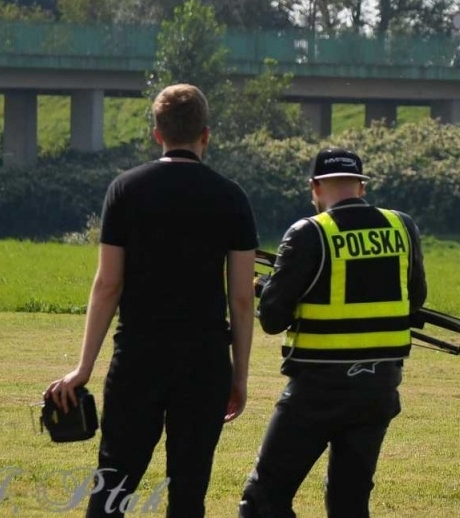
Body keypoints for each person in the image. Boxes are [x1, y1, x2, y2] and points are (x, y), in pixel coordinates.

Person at [46, 84, 258, 518]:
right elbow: (240, 297)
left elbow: (108, 284)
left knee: (113, 485)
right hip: (204, 360)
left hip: (139, 356)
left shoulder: (125, 190)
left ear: (156, 133)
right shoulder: (232, 197)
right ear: (206, 135)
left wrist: (84, 367)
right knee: (188, 489)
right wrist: (239, 373)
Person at [240, 148, 427, 518]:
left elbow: (273, 319)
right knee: (348, 502)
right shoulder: (401, 226)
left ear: (315, 188)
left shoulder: (308, 233)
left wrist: (264, 287)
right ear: (360, 186)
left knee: (263, 500)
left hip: (316, 390)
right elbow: (415, 300)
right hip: (378, 387)